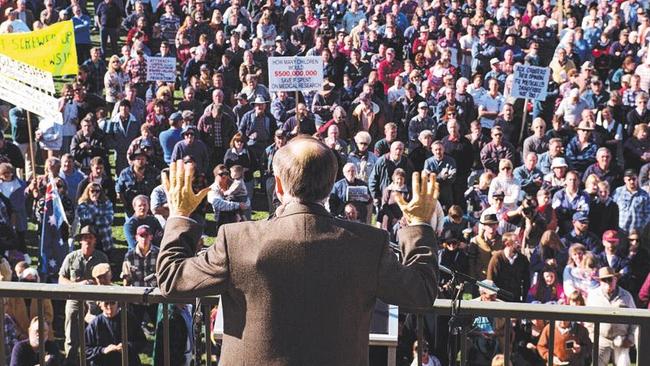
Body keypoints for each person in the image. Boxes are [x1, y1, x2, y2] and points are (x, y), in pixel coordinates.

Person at [156, 136, 439, 365]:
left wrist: (180, 215)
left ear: (277, 185)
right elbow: (421, 292)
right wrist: (419, 226)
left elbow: (172, 279)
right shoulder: (368, 243)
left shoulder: (238, 239)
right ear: (331, 184)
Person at [58, 225, 108, 365]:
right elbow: (61, 279)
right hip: (75, 298)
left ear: (95, 241)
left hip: (95, 300)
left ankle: (95, 359)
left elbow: (107, 280)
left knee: (97, 332)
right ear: (80, 241)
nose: (88, 241)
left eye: (90, 238)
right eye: (85, 238)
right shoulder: (71, 257)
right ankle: (71, 360)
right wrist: (78, 285)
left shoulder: (101, 257)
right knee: (71, 335)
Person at [586, 267, 637, 366]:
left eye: (610, 279)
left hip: (622, 340)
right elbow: (588, 320)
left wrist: (630, 339)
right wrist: (593, 338)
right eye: (604, 280)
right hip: (601, 339)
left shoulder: (626, 296)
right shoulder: (593, 296)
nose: (607, 282)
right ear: (600, 281)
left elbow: (635, 320)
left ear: (615, 279)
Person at [84, 300, 145, 366]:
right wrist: (103, 350)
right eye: (106, 303)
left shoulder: (129, 318)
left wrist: (128, 347)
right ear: (100, 305)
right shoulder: (95, 323)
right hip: (103, 362)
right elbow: (86, 350)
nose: (109, 307)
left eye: (112, 303)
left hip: (128, 361)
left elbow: (142, 341)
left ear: (117, 303)